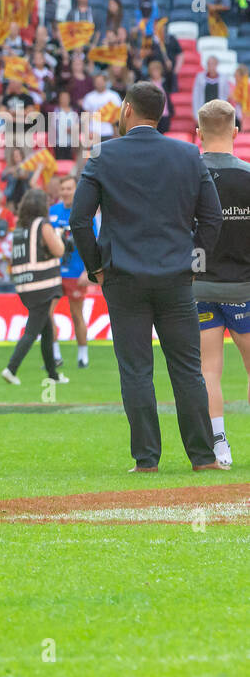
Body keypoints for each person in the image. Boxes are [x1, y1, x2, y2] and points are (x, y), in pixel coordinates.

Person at [70, 82, 223, 473]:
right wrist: (196, 263)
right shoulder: (189, 154)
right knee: (187, 368)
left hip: (123, 277)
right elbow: (212, 218)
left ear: (126, 110)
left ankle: (146, 459)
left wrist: (95, 267)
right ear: (161, 113)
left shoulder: (103, 154)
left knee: (136, 369)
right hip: (176, 278)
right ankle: (203, 457)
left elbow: (79, 220)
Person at [192, 99, 250, 468]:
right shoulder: (248, 175)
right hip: (244, 289)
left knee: (208, 370)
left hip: (199, 287)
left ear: (197, 134)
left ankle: (218, 446)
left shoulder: (187, 176)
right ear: (235, 131)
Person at [1, 188, 72, 387]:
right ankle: (11, 368)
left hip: (24, 284)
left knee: (47, 329)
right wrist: (64, 242)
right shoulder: (43, 225)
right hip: (43, 284)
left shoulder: (20, 227)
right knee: (32, 331)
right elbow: (58, 251)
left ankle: (53, 374)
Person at [47, 174, 94, 369]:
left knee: (77, 315)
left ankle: (83, 355)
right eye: (63, 188)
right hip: (55, 273)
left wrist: (87, 270)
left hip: (75, 273)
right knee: (46, 314)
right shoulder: (52, 212)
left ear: (76, 190)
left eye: (69, 188)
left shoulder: (84, 211)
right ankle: (54, 355)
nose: (66, 192)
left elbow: (93, 242)